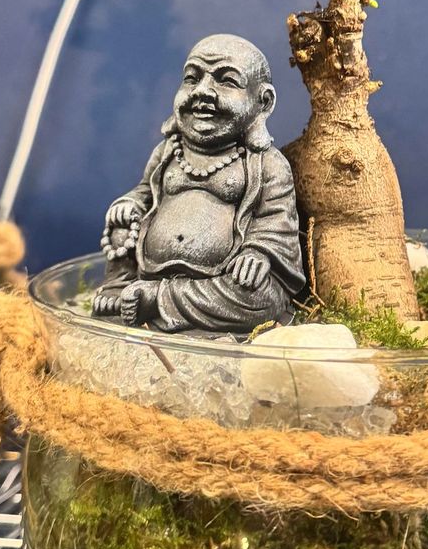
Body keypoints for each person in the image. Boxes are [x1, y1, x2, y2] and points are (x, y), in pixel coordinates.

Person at [92, 35, 305, 334]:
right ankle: (121, 287)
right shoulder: (168, 151)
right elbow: (144, 192)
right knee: (120, 224)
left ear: (263, 101)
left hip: (223, 282)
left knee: (260, 299)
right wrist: (128, 204)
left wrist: (258, 252)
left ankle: (156, 300)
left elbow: (277, 219)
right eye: (192, 78)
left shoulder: (266, 163)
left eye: (226, 81)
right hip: (149, 268)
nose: (203, 91)